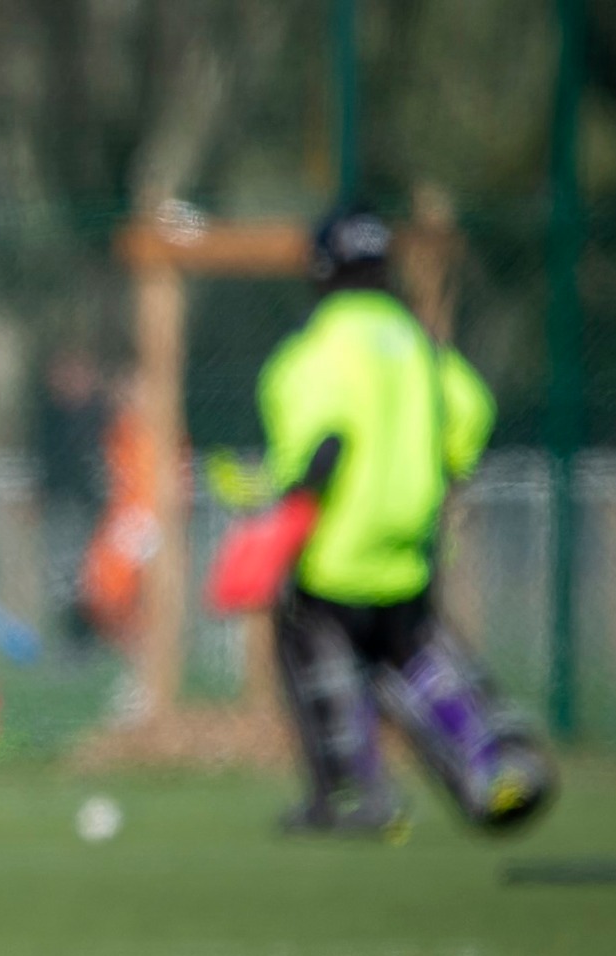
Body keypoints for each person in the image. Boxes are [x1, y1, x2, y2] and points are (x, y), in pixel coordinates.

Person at [224, 206, 554, 836]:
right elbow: (471, 414)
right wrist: (440, 472)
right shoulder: (420, 347)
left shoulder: (315, 351)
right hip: (409, 544)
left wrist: (285, 514)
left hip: (336, 546)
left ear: (322, 270)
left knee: (313, 650)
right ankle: (493, 760)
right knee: (414, 655)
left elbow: (318, 446)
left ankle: (354, 792)